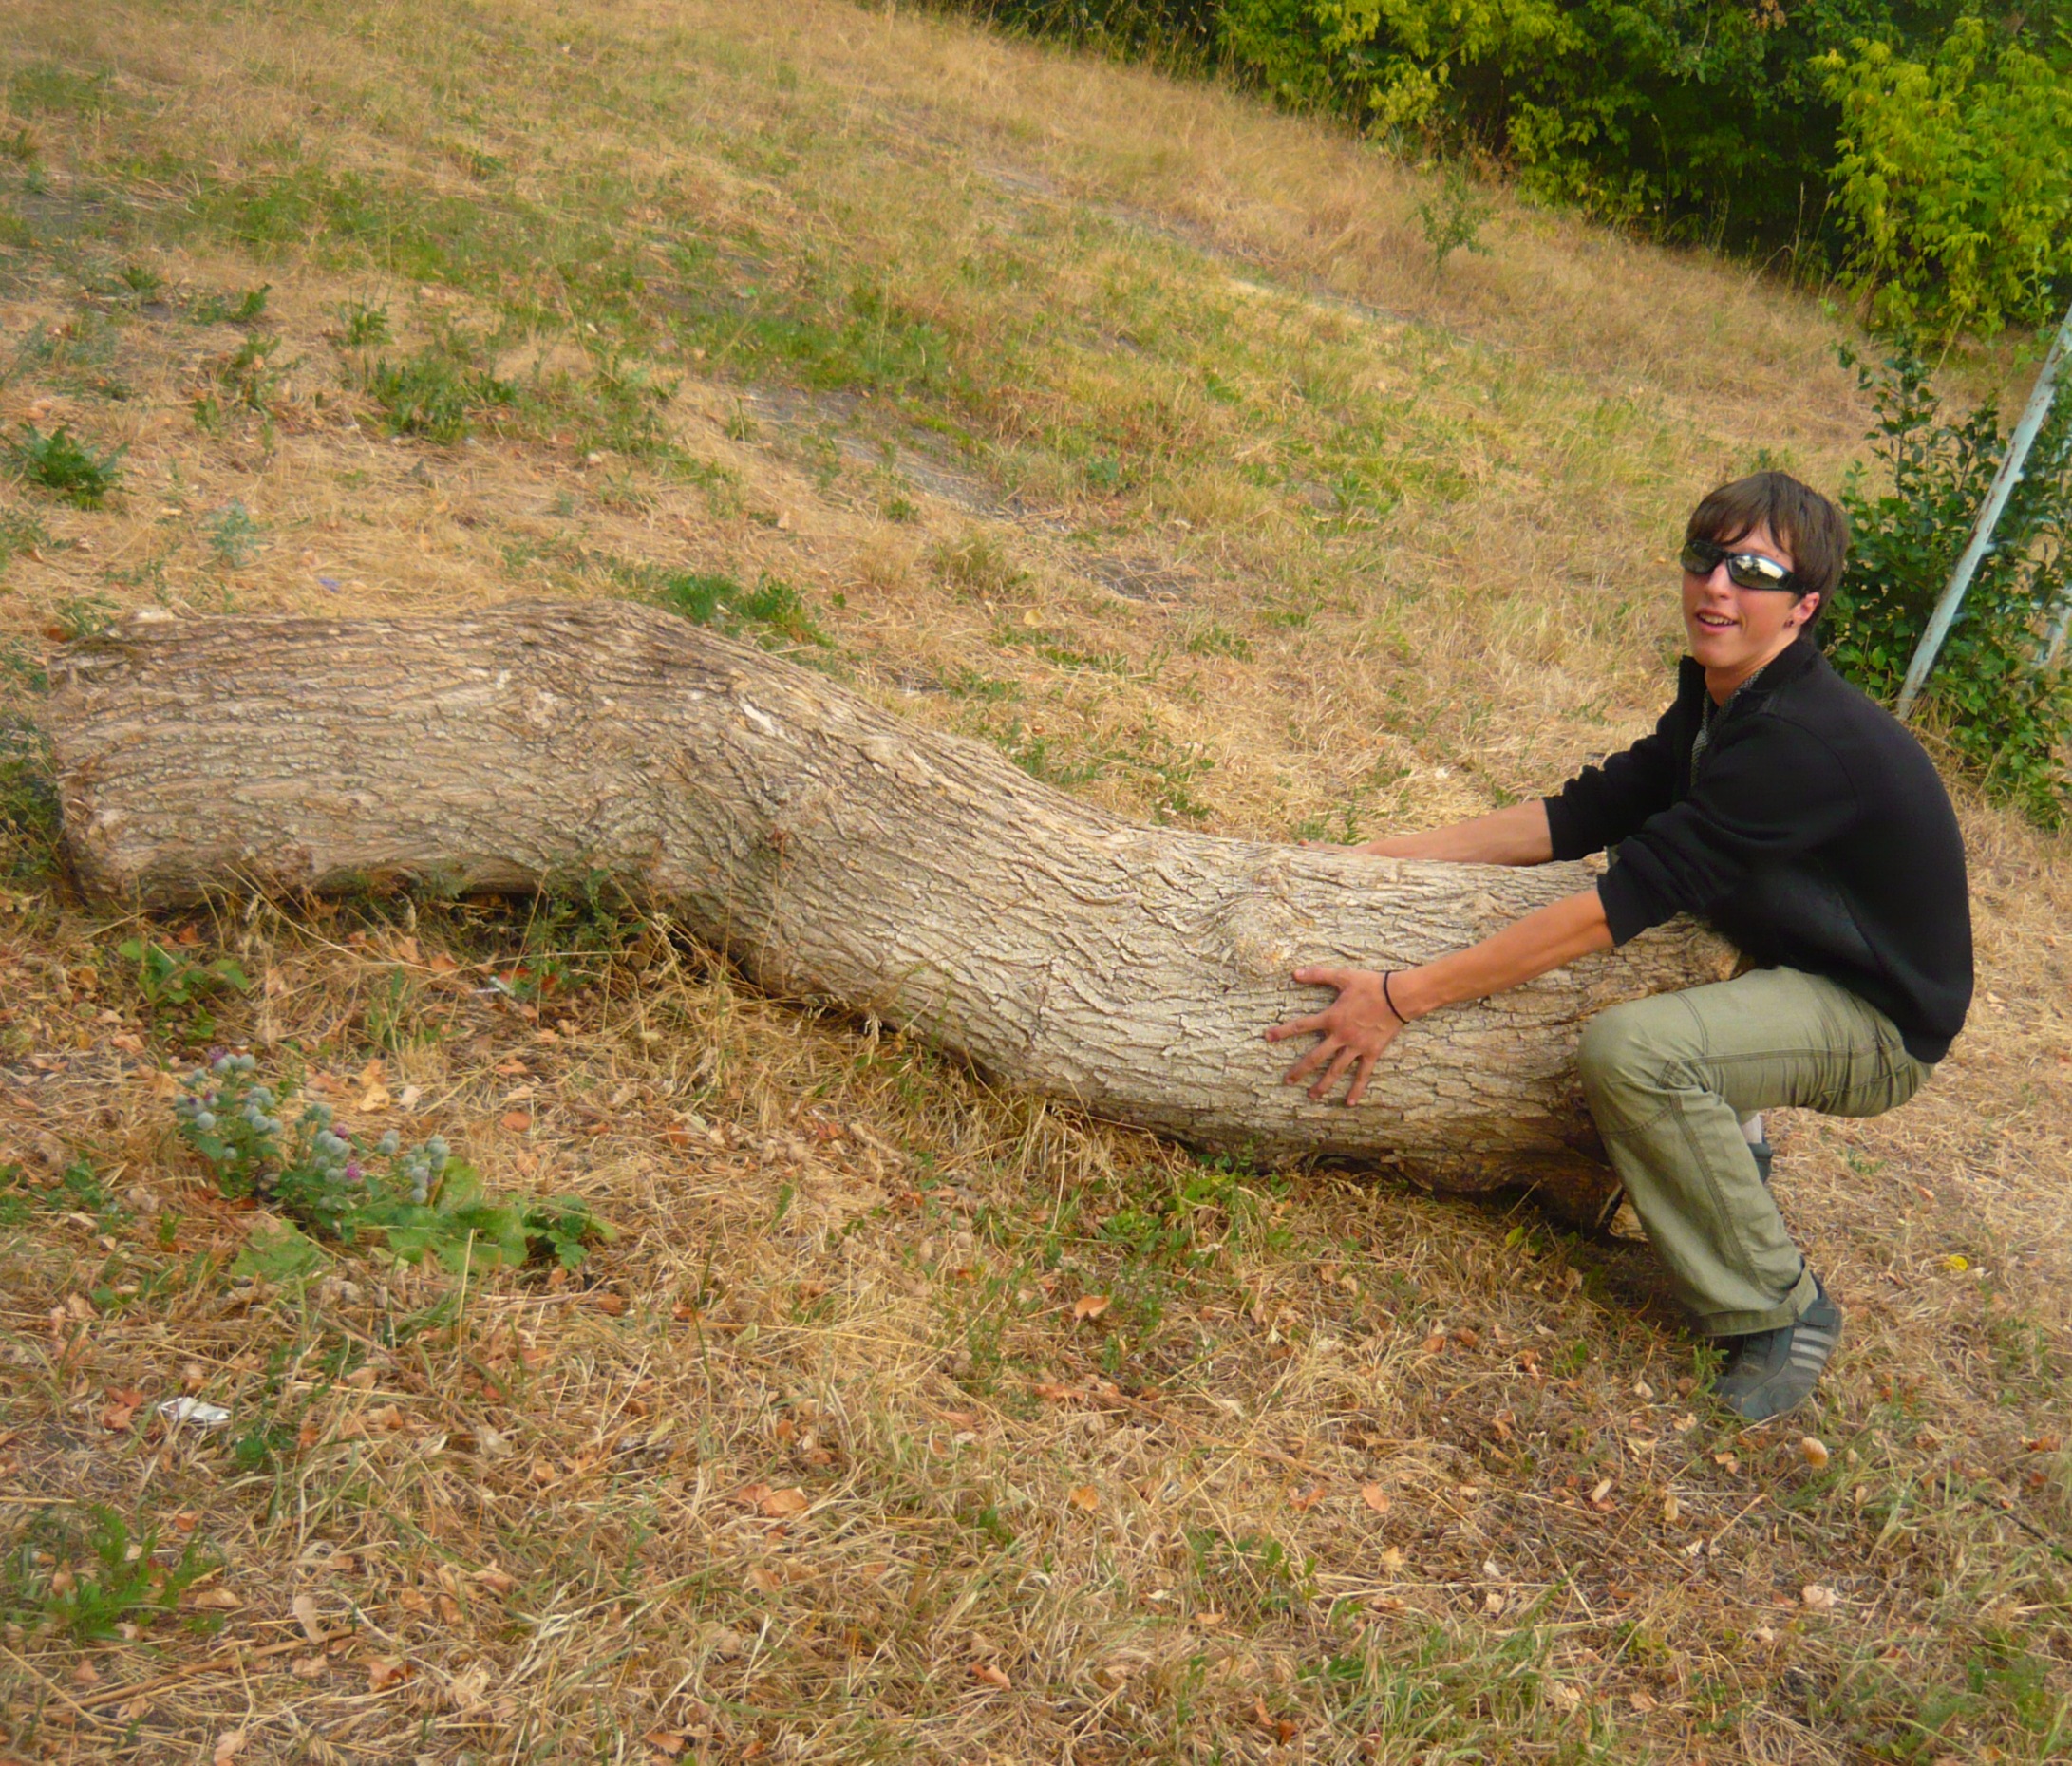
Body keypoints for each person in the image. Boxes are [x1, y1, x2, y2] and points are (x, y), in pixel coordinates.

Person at [1265, 471, 1971, 1421]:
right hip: (1792, 959)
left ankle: (1778, 1309)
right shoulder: (1726, 698)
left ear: (1803, 607)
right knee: (1646, 1022)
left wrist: (1400, 997)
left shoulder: (1801, 742)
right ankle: (1733, 1153)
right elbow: (1583, 814)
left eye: (1754, 571)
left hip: (1877, 1016)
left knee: (1634, 1053)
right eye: (1704, 557)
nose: (1715, 585)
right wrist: (1368, 861)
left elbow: (1617, 905)